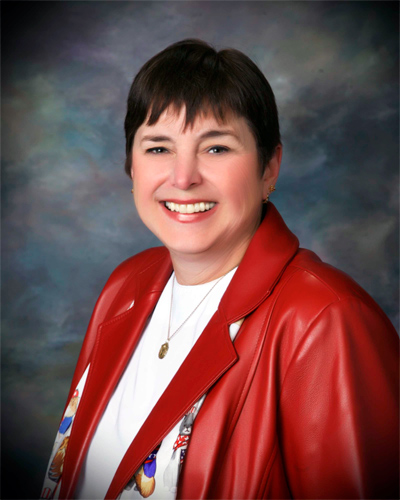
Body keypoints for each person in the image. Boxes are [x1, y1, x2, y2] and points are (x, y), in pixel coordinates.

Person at [41, 39, 398, 500]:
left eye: (216, 148)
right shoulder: (125, 286)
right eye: (158, 148)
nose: (183, 177)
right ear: (131, 166)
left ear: (269, 168)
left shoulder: (325, 319)